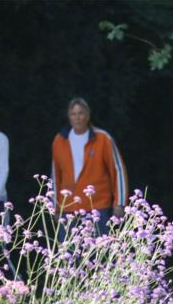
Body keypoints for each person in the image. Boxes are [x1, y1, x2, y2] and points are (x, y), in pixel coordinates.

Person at [51, 97, 128, 235]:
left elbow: (118, 171)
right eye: (73, 114)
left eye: (80, 113)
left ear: (87, 115)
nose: (77, 118)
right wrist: (55, 208)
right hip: (68, 208)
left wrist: (120, 203)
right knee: (68, 255)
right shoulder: (59, 140)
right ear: (69, 117)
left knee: (97, 255)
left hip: (97, 207)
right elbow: (55, 176)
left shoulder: (103, 138)